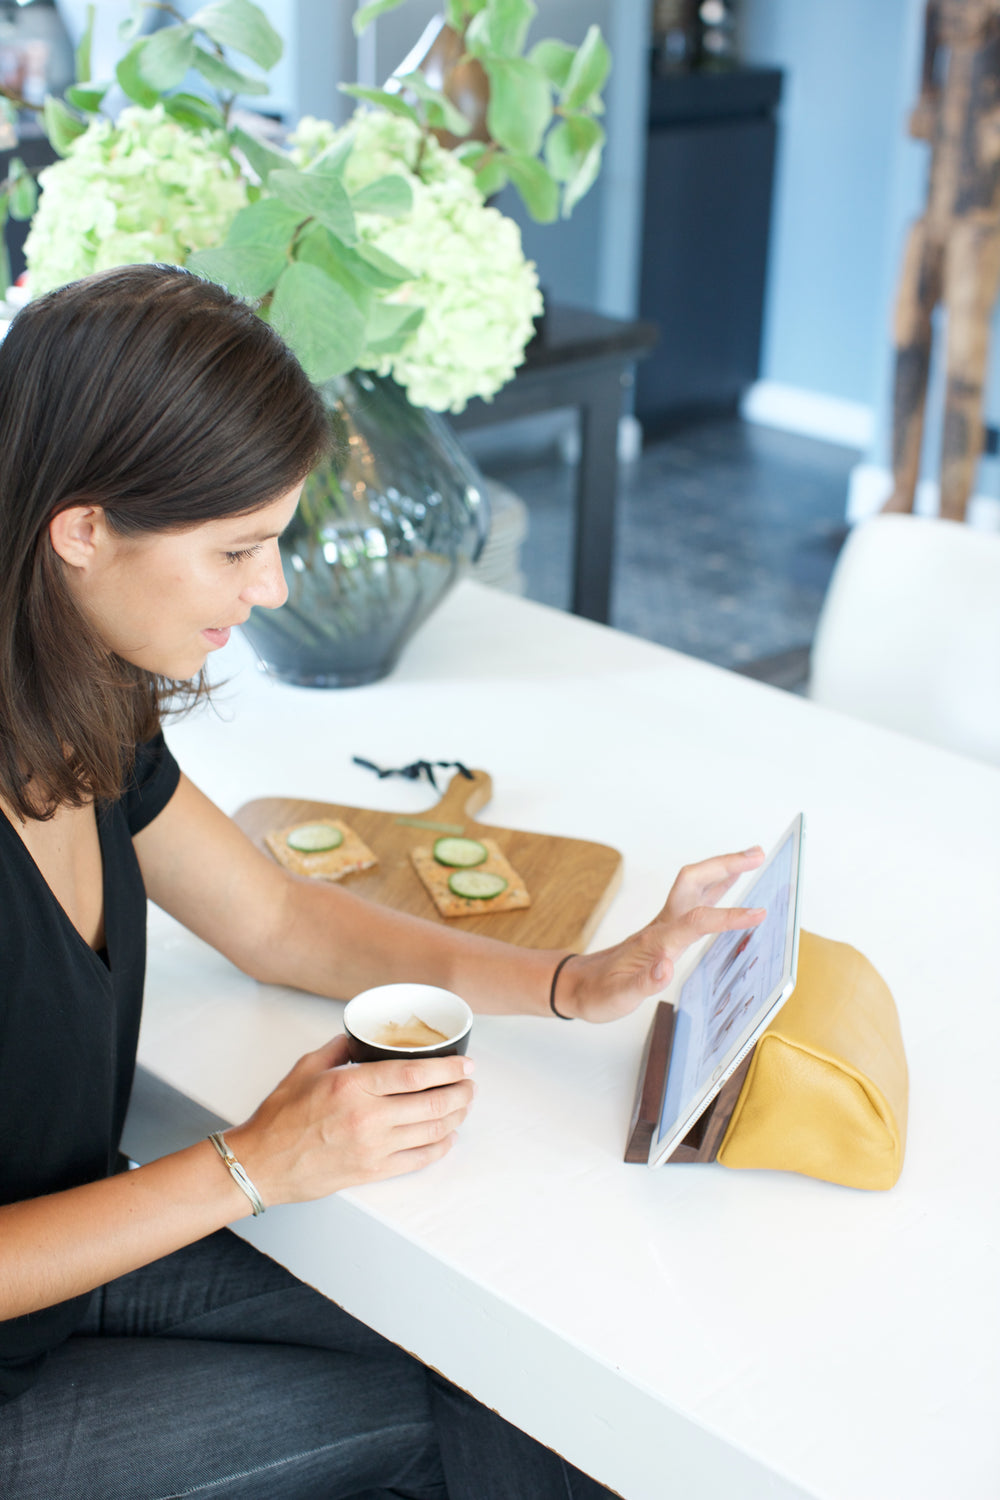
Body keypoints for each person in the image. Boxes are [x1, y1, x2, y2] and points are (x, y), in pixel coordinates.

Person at [0, 264, 766, 1499]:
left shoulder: (80, 704)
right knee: (443, 1418)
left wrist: (576, 981)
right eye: (238, 549)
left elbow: (278, 916)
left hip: (66, 1261)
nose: (275, 589)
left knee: (483, 1359)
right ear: (81, 530)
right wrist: (253, 1165)